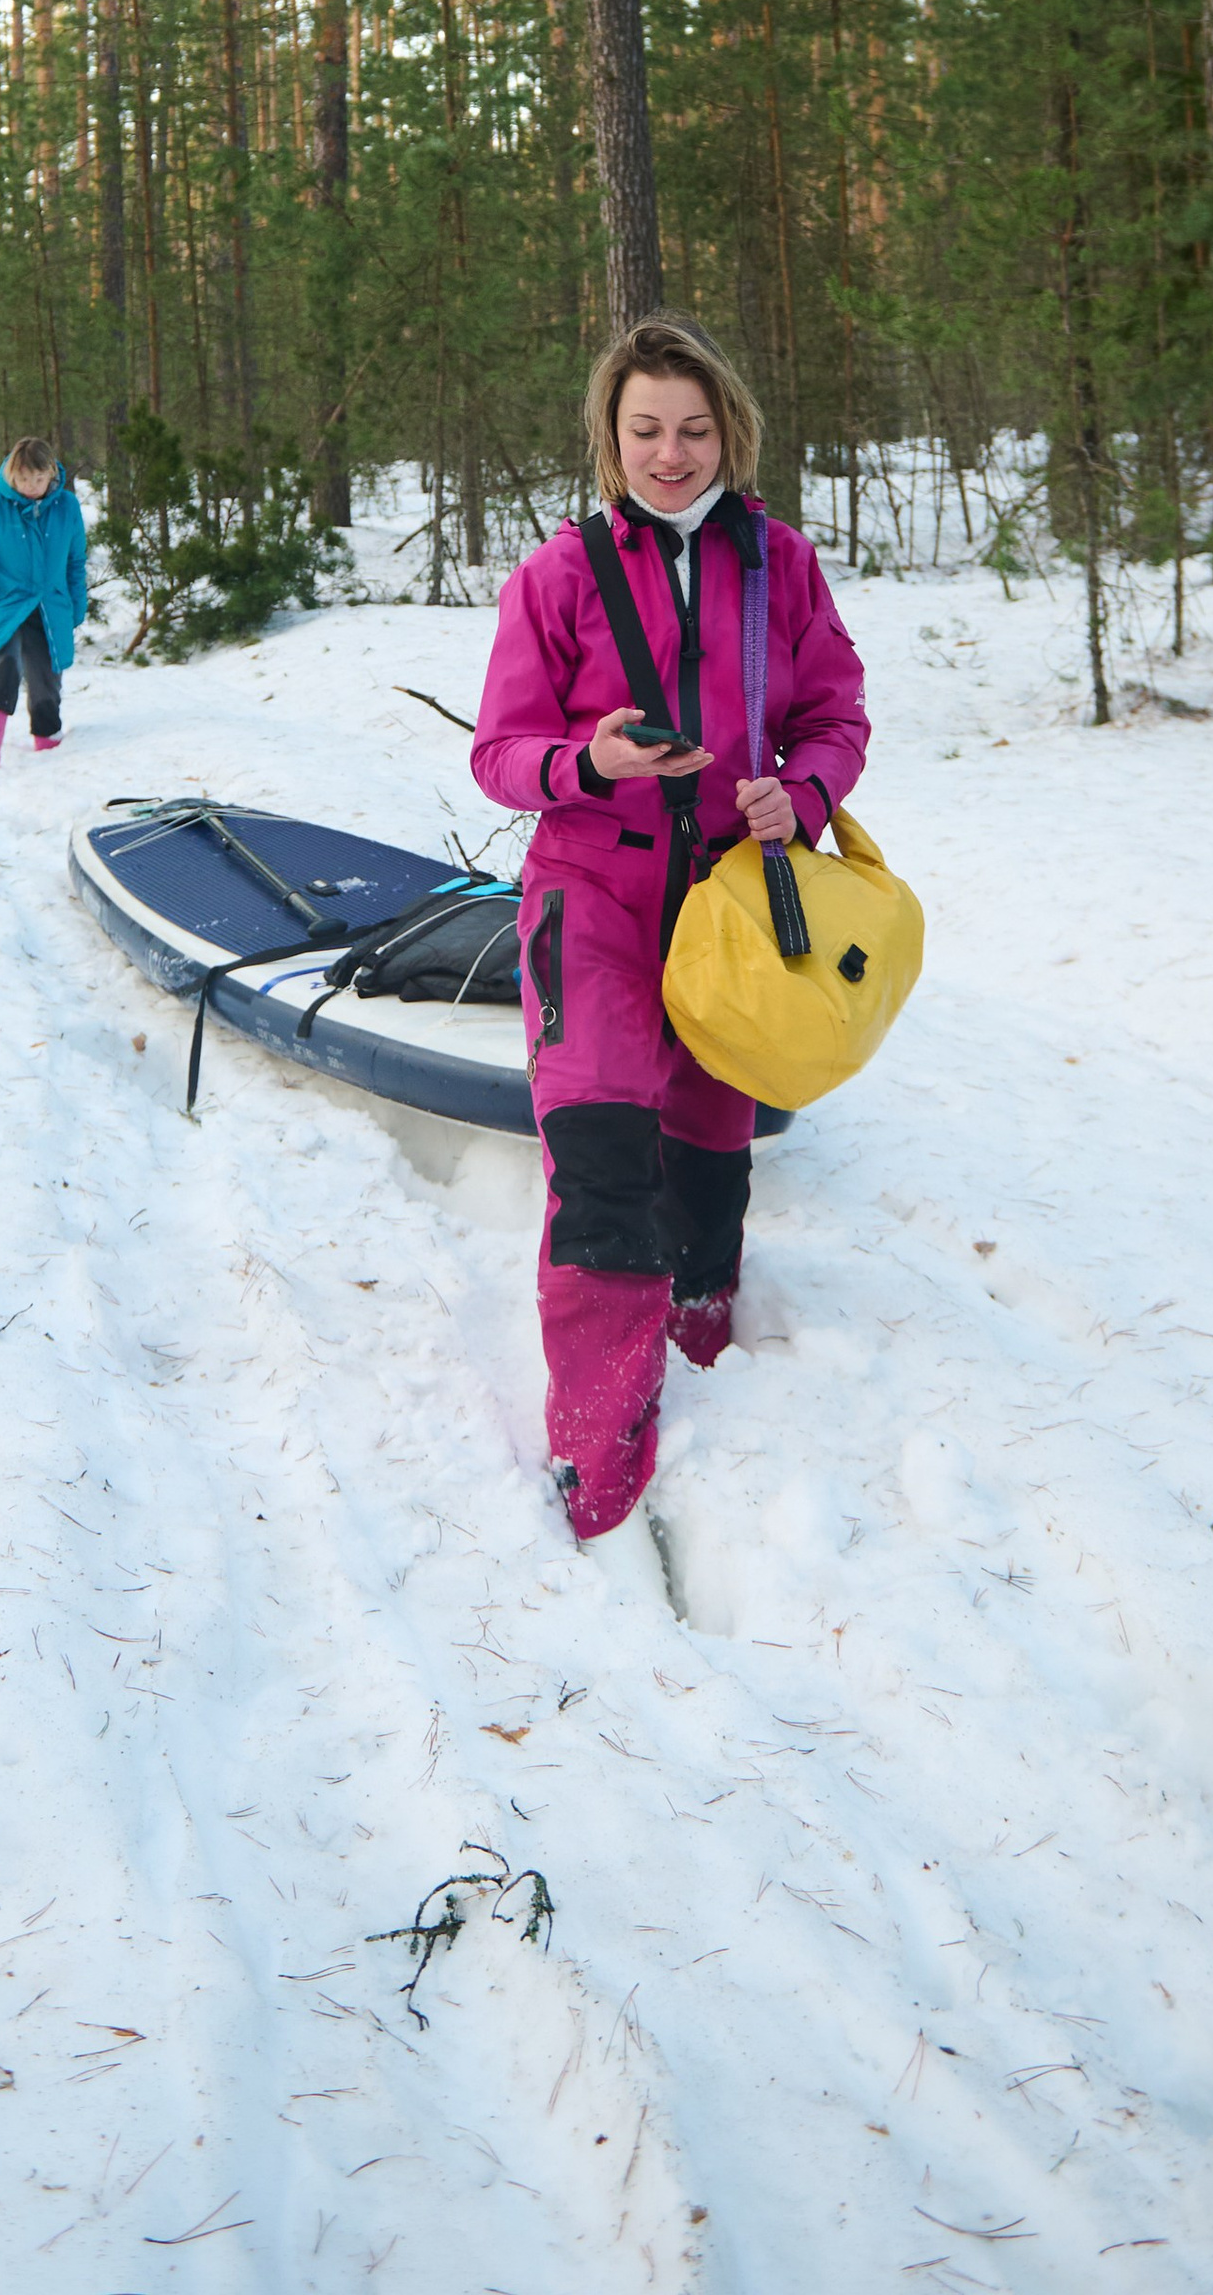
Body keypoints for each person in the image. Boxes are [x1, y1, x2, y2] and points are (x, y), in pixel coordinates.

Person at [471, 313, 870, 1574]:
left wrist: (796, 795)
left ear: (728, 432)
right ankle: (596, 1434)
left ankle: (699, 1323)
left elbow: (835, 712)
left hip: (727, 906)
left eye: (693, 428)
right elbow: (497, 756)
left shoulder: (781, 566)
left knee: (709, 1138)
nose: (671, 451)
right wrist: (582, 759)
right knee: (597, 1146)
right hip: (588, 887)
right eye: (646, 427)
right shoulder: (557, 575)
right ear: (611, 435)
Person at [0, 434, 87, 764]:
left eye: (38, 478)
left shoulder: (67, 507)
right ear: (12, 474)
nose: (31, 486)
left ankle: (48, 747)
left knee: (46, 678)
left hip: (49, 605)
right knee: (4, 666)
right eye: (24, 478)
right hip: (4, 604)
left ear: (51, 473)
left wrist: (76, 609)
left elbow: (75, 563)